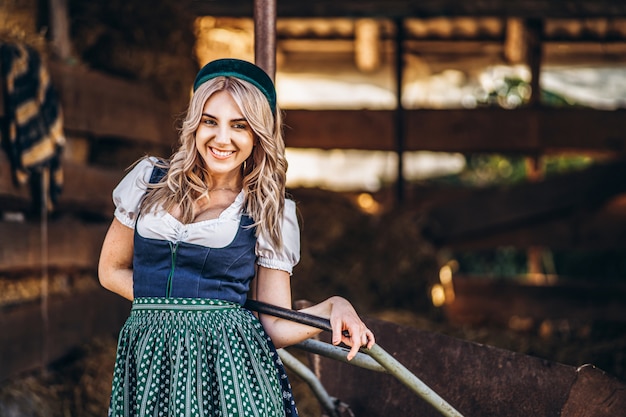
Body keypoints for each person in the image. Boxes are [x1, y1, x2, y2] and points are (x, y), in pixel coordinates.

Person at [98, 58, 375, 417]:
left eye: (239, 126)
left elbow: (273, 325)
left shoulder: (268, 210)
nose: (222, 138)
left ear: (258, 135)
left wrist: (334, 306)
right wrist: (173, 310)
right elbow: (110, 269)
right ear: (194, 125)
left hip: (229, 371)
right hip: (152, 359)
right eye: (210, 121)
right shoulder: (147, 180)